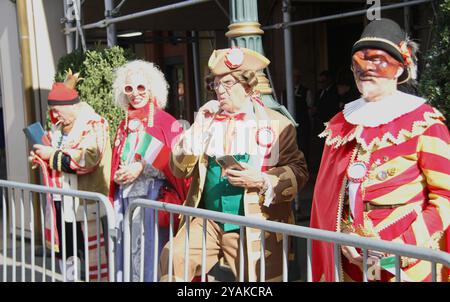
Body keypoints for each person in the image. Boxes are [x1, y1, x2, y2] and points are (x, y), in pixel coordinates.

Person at [310, 19, 450, 282]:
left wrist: (399, 248)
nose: (367, 69)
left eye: (378, 60)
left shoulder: (425, 123)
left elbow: (446, 197)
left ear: (399, 69)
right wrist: (340, 235)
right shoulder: (342, 123)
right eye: (359, 62)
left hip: (408, 264)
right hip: (352, 261)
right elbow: (328, 198)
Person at [159, 47, 309, 281]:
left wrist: (261, 180)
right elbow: (179, 169)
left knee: (258, 280)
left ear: (248, 87)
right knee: (174, 256)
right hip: (208, 220)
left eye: (227, 84)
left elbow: (299, 172)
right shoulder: (208, 122)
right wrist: (197, 129)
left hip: (253, 223)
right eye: (216, 84)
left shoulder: (278, 124)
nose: (219, 90)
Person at [110, 60, 189, 282]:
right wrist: (119, 173)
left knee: (151, 254)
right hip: (126, 200)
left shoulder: (165, 122)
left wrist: (142, 167)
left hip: (153, 199)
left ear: (152, 88)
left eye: (141, 87)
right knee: (128, 253)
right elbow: (121, 157)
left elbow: (177, 164)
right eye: (129, 88)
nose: (135, 94)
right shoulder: (124, 123)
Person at [30, 70, 111, 281]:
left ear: (72, 106)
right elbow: (55, 158)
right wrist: (41, 157)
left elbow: (88, 160)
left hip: (85, 203)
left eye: (57, 111)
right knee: (67, 253)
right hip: (59, 201)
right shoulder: (57, 129)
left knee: (94, 258)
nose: (54, 116)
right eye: (52, 112)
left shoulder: (95, 124)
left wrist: (51, 155)